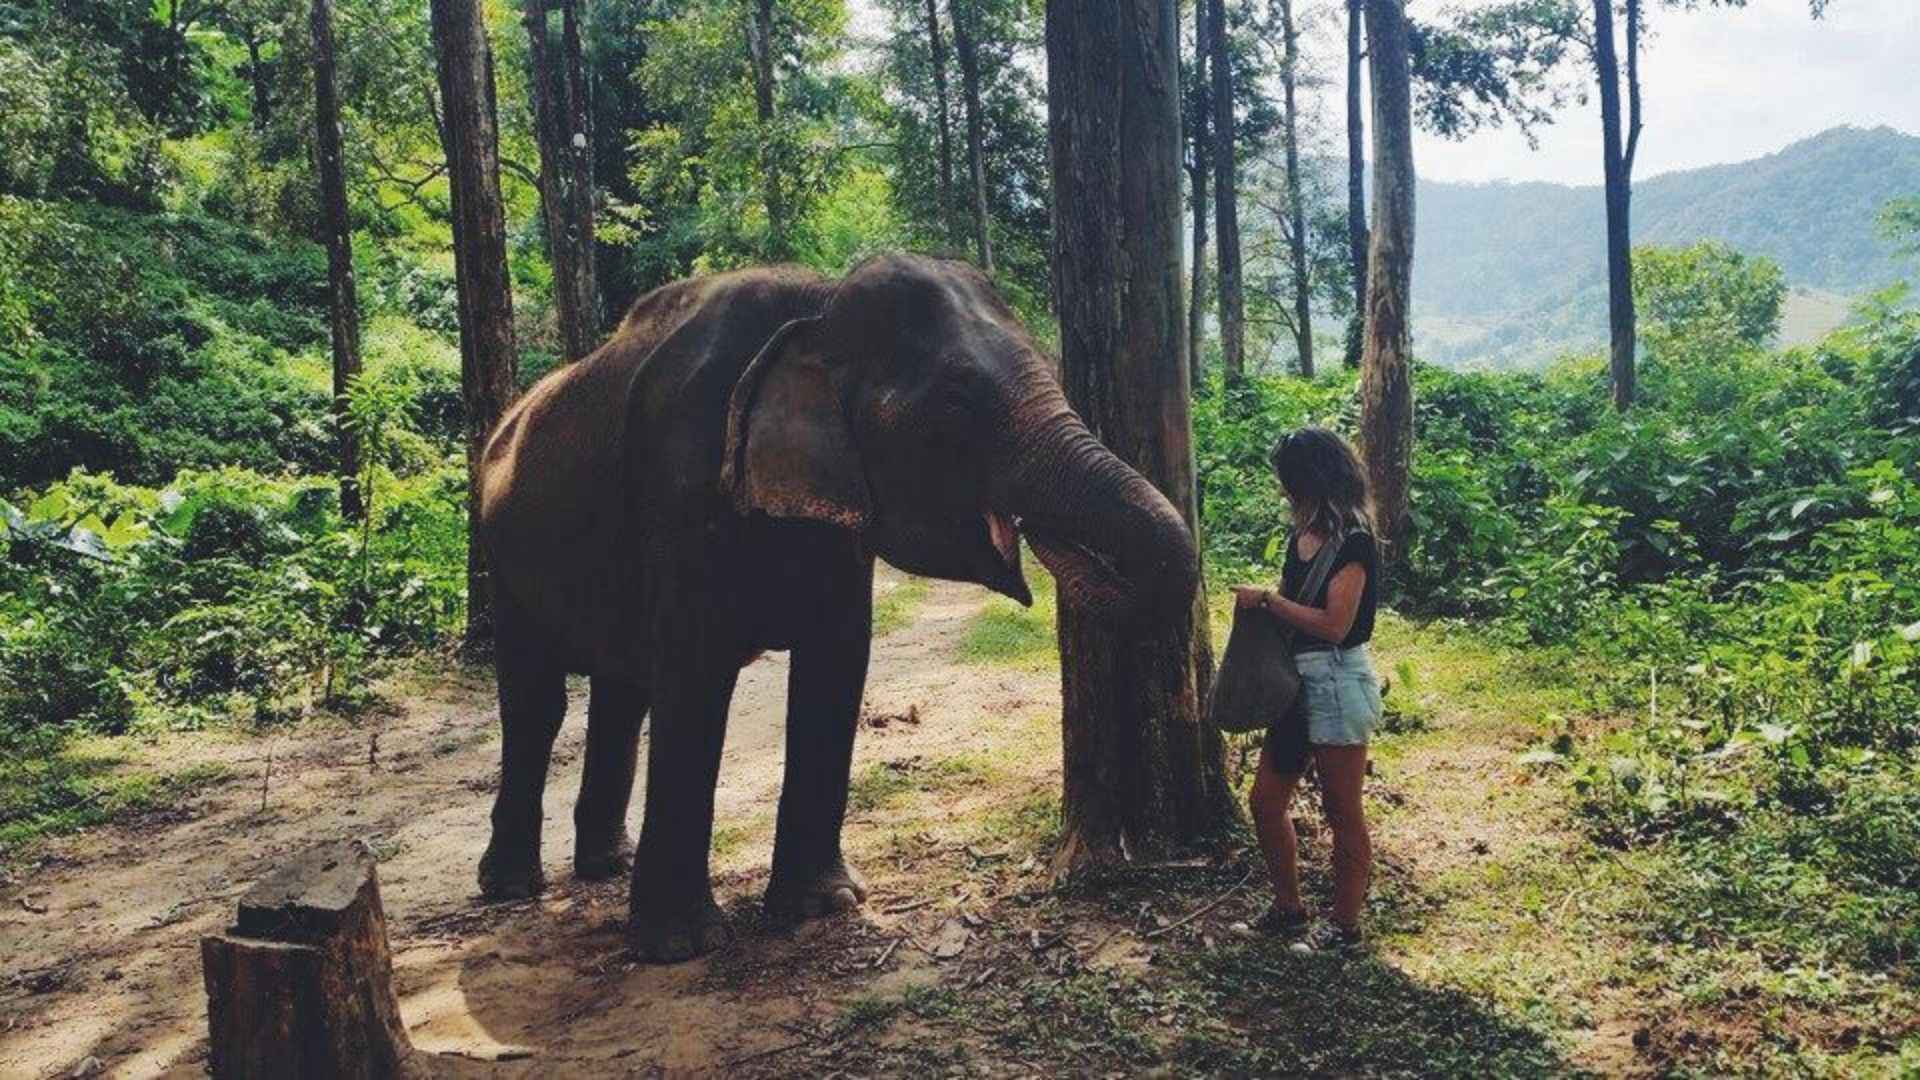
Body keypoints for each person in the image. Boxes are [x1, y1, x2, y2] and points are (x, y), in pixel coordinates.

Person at [1229, 426, 1383, 954]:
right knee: (1265, 801)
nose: (1284, 493)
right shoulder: (1301, 541)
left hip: (1339, 678)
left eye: (1289, 482)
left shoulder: (1355, 541)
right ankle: (1289, 909)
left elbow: (1334, 625)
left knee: (1343, 810)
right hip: (1296, 682)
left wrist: (1269, 602)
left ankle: (1344, 926)